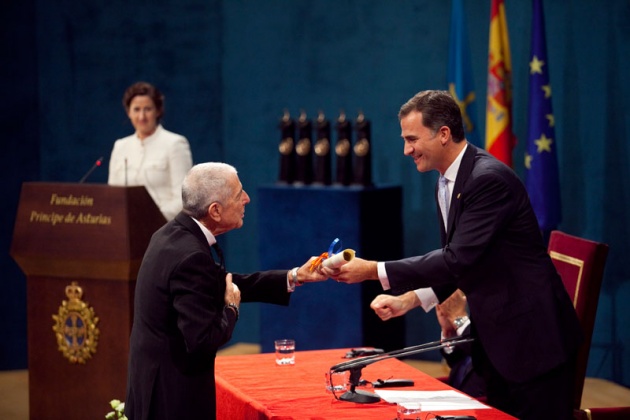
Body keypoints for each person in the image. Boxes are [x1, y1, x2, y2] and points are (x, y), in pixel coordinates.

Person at [323, 90, 582, 420]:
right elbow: (464, 263)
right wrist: (410, 300)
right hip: (498, 342)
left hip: (533, 344)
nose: (406, 150)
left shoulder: (488, 180)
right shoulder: (446, 181)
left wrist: (374, 270)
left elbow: (457, 259)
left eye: (412, 139)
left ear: (443, 134)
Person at [124, 162, 327, 420]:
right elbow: (202, 340)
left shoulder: (170, 235)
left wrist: (296, 276)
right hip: (172, 400)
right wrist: (231, 308)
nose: (247, 199)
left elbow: (221, 282)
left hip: (151, 388)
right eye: (238, 194)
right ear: (215, 210)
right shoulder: (190, 256)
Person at [377, 288, 486, 398]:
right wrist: (450, 332)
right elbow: (463, 362)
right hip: (457, 396)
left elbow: (488, 358)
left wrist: (458, 318)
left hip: (486, 404)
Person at [108, 81, 193, 220]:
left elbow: (184, 199)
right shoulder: (120, 146)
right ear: (128, 112)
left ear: (158, 111)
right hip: (124, 230)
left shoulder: (175, 144)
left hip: (163, 230)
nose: (142, 116)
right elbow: (113, 197)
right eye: (136, 109)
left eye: (147, 109)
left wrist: (149, 218)